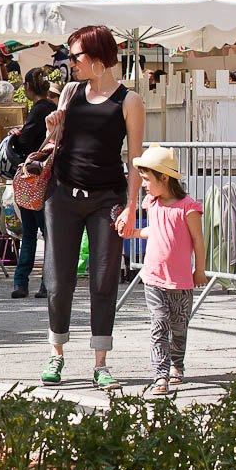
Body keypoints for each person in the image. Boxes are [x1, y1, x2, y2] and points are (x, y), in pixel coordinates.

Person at [41, 25, 144, 390]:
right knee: (58, 280)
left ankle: (101, 362)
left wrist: (132, 206)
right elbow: (53, 144)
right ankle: (56, 353)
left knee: (103, 280)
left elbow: (135, 160)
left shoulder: (128, 101)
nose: (70, 63)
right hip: (62, 195)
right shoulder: (70, 92)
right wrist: (52, 128)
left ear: (98, 58)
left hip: (107, 199)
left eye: (75, 56)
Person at [120, 146, 205, 396]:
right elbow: (155, 231)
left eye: (147, 179)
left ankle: (177, 364)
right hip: (153, 278)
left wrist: (200, 270)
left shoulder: (188, 207)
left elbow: (198, 240)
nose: (144, 185)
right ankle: (160, 375)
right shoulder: (151, 203)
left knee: (179, 328)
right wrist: (135, 233)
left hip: (181, 282)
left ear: (164, 177)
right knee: (159, 325)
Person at [10, 68, 54, 299]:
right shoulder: (53, 108)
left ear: (28, 86)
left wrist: (16, 135)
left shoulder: (38, 110)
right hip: (49, 177)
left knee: (30, 233)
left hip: (33, 178)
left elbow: (25, 141)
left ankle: (22, 282)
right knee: (47, 233)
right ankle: (46, 282)